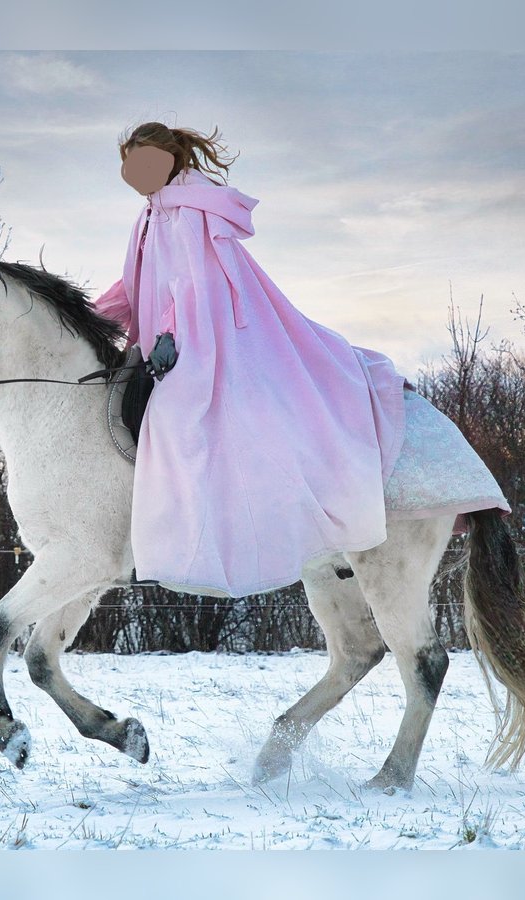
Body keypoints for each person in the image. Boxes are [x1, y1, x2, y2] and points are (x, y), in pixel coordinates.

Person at [94, 122, 407, 599]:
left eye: (149, 161)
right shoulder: (149, 216)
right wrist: (90, 316)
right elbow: (134, 284)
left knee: (176, 416)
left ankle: (188, 542)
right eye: (132, 162)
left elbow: (198, 282)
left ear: (171, 160)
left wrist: (171, 335)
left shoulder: (193, 209)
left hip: (212, 334)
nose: (140, 172)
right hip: (173, 336)